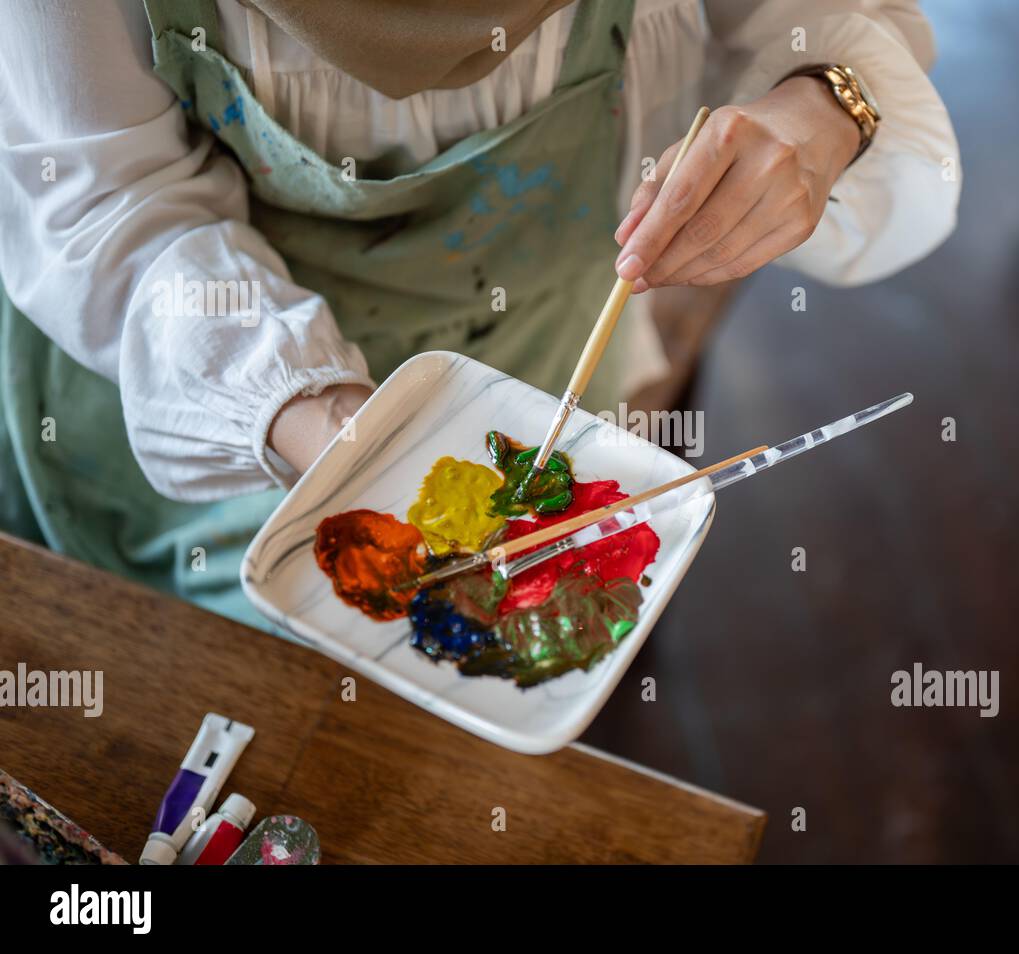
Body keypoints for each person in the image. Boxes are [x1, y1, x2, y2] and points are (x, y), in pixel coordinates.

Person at [0, 0, 959, 629]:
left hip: (539, 360)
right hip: (221, 403)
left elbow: (819, 25)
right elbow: (108, 202)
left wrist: (823, 107)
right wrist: (331, 431)